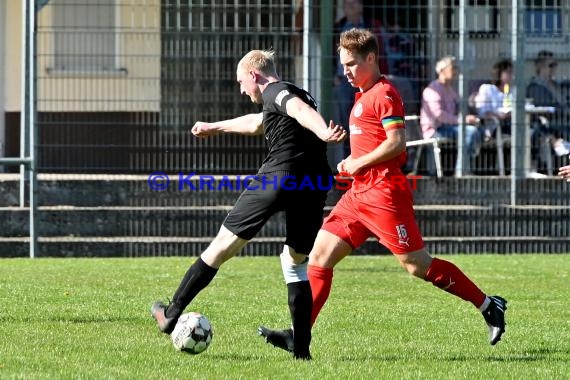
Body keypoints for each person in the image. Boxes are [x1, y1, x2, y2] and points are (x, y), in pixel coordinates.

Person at [258, 28, 507, 355]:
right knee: (318, 257)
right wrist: (354, 161)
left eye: (351, 64)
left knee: (416, 265)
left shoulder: (385, 93)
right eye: (343, 65)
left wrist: (358, 163)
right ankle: (298, 334)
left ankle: (489, 304)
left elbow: (396, 143)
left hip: (385, 194)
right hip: (358, 195)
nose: (345, 71)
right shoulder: (363, 94)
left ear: (371, 58)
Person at [150, 49, 346, 360]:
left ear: (254, 75)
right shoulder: (294, 92)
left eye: (242, 82)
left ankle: (170, 315)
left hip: (279, 177)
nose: (242, 89)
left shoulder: (278, 91)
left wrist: (323, 130)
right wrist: (214, 127)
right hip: (314, 183)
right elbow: (260, 123)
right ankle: (302, 352)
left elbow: (296, 110)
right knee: (295, 263)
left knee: (220, 247)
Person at [330, 0, 389, 169]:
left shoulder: (372, 25)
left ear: (362, 5)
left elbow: (381, 53)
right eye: (346, 4)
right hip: (342, 84)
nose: (350, 6)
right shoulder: (337, 27)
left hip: (377, 178)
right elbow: (329, 53)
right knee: (349, 121)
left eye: (354, 3)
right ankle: (350, 155)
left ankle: (363, 159)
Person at [420, 55, 483, 176]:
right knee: (469, 132)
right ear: (442, 70)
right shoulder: (432, 89)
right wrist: (461, 120)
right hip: (435, 129)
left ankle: (466, 165)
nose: (456, 71)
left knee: (476, 129)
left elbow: (459, 104)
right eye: (453, 67)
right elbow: (439, 114)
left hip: (448, 127)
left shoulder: (449, 88)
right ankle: (461, 171)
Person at [527, 50, 570, 158]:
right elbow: (543, 108)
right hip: (552, 123)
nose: (554, 69)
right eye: (551, 65)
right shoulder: (535, 87)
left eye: (555, 65)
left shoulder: (557, 85)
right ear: (540, 67)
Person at [474, 59, 513, 140]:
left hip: (511, 122)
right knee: (523, 131)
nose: (511, 75)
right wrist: (499, 115)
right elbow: (482, 111)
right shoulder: (487, 89)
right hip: (495, 126)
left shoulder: (511, 92)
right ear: (499, 73)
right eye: (508, 72)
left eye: (511, 72)